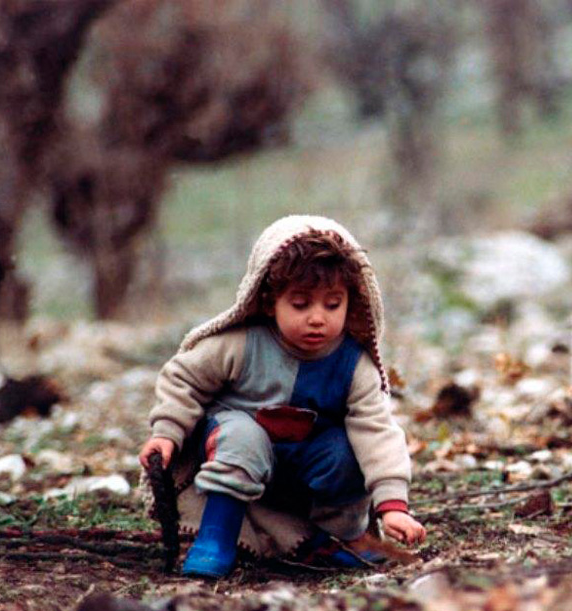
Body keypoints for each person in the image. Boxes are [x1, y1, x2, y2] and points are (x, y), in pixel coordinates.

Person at [138, 215, 425, 578]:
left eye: (332, 305)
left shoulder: (354, 365)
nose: (317, 318)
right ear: (270, 300)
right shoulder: (240, 344)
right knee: (243, 434)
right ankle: (217, 536)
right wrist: (167, 432)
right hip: (234, 459)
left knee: (347, 450)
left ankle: (338, 539)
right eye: (301, 304)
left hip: (306, 473)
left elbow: (377, 431)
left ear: (351, 302)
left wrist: (392, 504)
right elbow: (184, 378)